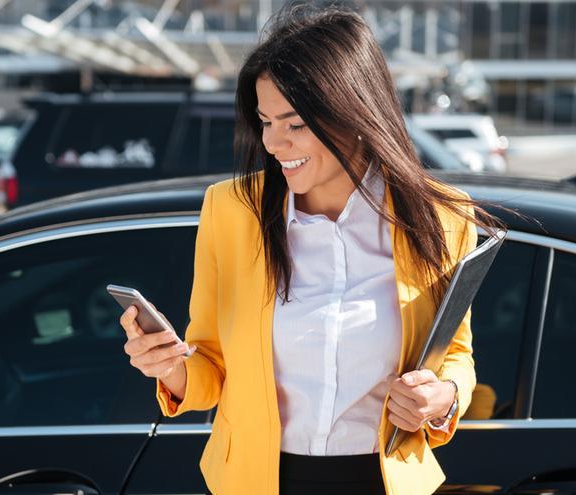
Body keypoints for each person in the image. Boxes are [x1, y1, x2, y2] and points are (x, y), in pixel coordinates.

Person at [120, 4, 501, 494]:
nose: (274, 143)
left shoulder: (444, 216)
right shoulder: (231, 212)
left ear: (356, 113)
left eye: (294, 124)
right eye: (264, 121)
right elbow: (210, 369)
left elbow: (456, 356)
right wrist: (170, 365)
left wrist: (442, 398)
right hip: (261, 483)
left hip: (382, 482)